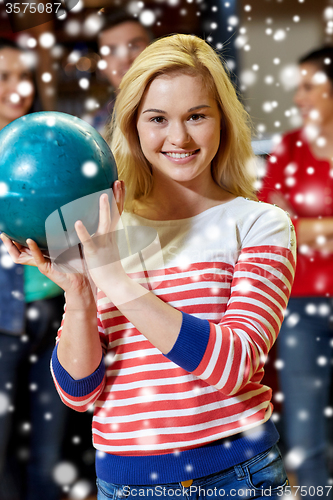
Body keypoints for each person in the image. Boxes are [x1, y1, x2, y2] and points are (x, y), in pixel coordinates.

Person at [2, 34, 296, 499]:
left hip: (237, 478)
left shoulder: (260, 224)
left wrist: (115, 281)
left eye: (196, 116)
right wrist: (79, 295)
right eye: (157, 119)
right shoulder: (106, 227)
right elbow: (79, 393)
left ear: (223, 121)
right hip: (123, 485)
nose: (178, 137)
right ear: (134, 125)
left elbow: (232, 365)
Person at [259, 46, 333, 497]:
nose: (299, 97)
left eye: (309, 86)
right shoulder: (288, 147)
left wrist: (306, 225)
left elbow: (293, 224)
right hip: (302, 305)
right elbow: (274, 227)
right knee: (307, 440)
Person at [0, 38, 67, 500]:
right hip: (2, 318)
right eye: (4, 78)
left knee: (49, 451)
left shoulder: (53, 143)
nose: (18, 88)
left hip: (57, 311)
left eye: (23, 76)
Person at [92, 8, 151, 135]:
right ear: (102, 66)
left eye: (135, 46)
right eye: (112, 51)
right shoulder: (94, 132)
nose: (125, 59)